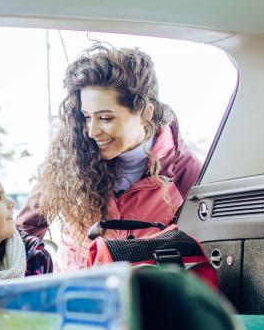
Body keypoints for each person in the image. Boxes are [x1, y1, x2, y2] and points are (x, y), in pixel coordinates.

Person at [17, 44, 202, 270]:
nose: (92, 131)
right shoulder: (70, 162)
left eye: (105, 118)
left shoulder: (186, 174)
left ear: (145, 113)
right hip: (76, 300)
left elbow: (208, 254)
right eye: (86, 117)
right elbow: (20, 238)